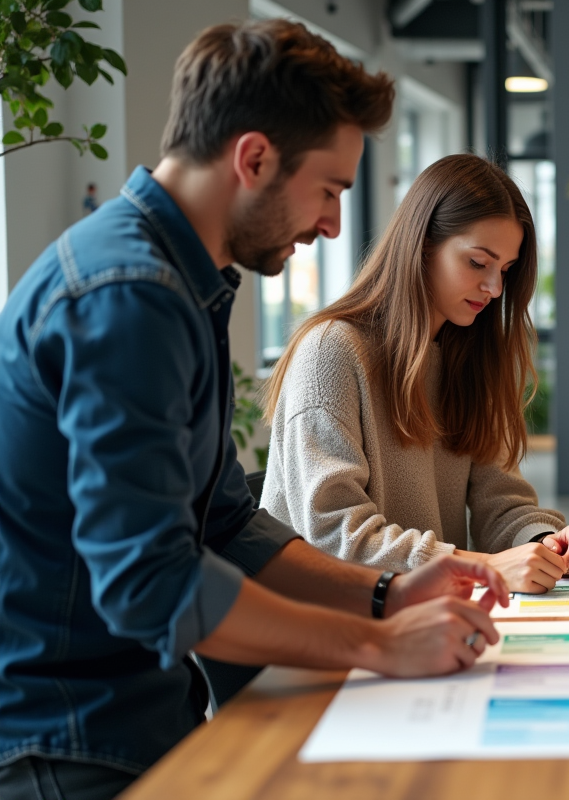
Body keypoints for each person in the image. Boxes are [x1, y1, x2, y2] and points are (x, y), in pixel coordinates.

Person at [0, 21, 509, 800]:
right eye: (330, 190)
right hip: (70, 738)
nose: (334, 224)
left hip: (138, 715)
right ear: (255, 158)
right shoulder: (129, 297)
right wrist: (378, 642)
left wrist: (387, 593)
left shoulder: (180, 283)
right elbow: (151, 584)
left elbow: (228, 523)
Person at [260, 153, 569, 593]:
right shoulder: (330, 352)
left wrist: (543, 543)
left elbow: (502, 502)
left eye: (505, 270)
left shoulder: (469, 356)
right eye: (478, 262)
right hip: (325, 615)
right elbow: (332, 534)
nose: (495, 288)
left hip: (424, 610)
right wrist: (485, 568)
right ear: (422, 245)